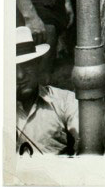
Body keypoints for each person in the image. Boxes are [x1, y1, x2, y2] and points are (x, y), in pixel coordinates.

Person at [16, 26, 78, 155]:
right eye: (12, 68)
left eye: (26, 65)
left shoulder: (65, 101)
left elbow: (87, 144)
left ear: (37, 64)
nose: (20, 75)